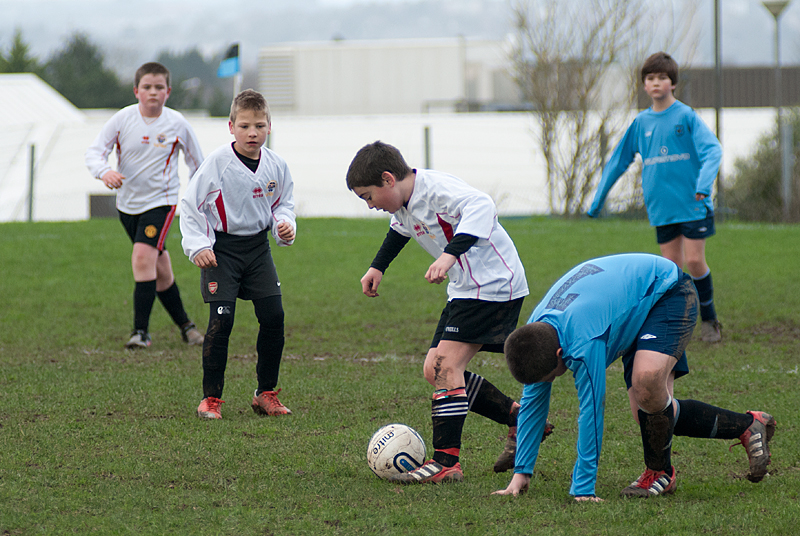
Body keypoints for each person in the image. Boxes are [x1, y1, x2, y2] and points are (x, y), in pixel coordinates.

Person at [346, 141, 553, 484]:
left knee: (446, 367)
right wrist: (377, 267)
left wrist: (449, 255)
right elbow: (401, 229)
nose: (369, 205)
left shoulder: (437, 189)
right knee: (434, 369)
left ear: (387, 180)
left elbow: (483, 205)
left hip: (492, 285)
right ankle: (521, 418)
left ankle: (446, 462)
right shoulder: (404, 203)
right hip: (466, 288)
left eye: (368, 196)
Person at [494, 253, 776, 500]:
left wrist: (583, 489)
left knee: (647, 386)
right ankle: (748, 425)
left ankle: (660, 473)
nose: (550, 382)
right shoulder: (536, 334)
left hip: (667, 291)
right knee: (650, 412)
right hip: (628, 305)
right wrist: (521, 474)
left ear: (559, 353)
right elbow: (532, 405)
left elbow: (591, 412)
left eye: (551, 376)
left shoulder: (582, 343)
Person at [588, 52, 723, 343]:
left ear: (672, 83)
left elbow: (713, 150)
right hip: (662, 209)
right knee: (671, 269)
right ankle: (679, 322)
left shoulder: (685, 116)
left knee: (695, 261)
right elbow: (618, 161)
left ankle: (710, 320)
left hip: (693, 203)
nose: (656, 83)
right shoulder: (641, 122)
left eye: (662, 77)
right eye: (650, 78)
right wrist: (599, 198)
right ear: (644, 85)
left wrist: (703, 184)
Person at [180, 89, 295, 420]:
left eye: (259, 125)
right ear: (231, 126)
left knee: (274, 317)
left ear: (269, 126)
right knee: (222, 320)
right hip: (222, 252)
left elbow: (282, 203)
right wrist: (198, 245)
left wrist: (285, 224)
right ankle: (211, 399)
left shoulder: (277, 165)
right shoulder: (217, 163)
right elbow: (190, 205)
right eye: (245, 126)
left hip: (259, 249)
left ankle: (266, 394)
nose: (252, 133)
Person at [85, 61, 205, 349]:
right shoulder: (122, 119)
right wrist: (105, 172)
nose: (153, 92)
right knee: (160, 269)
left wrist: (197, 201)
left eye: (159, 87)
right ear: (137, 90)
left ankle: (141, 332)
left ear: (168, 91)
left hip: (161, 204)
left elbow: (198, 164)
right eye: (147, 87)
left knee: (142, 258)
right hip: (127, 206)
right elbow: (94, 153)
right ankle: (187, 328)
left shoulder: (177, 123)